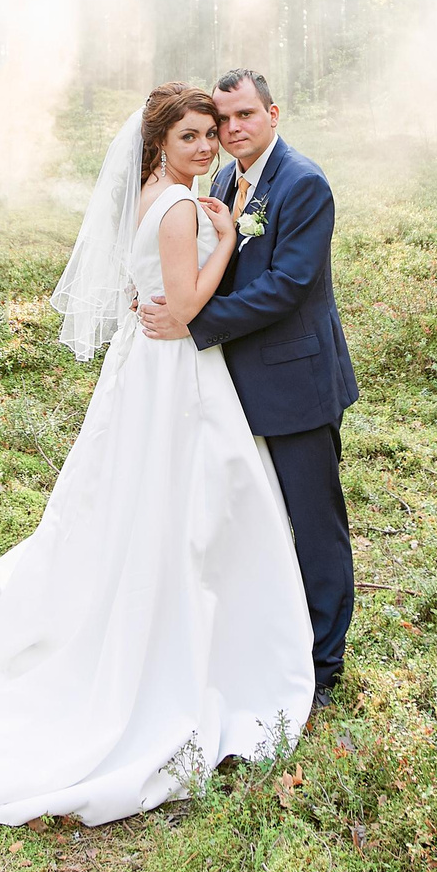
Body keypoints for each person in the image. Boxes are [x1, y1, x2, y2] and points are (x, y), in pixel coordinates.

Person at [0, 86, 314, 827]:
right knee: (190, 502)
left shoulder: (155, 196)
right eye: (191, 137)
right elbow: (182, 309)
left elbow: (148, 287)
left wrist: (210, 224)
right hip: (176, 370)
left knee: (152, 498)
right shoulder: (179, 206)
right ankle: (194, 644)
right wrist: (231, 238)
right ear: (158, 145)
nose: (207, 147)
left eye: (212, 133)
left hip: (143, 368)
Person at [140, 69, 357, 706]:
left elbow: (287, 286)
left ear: (273, 114)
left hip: (296, 383)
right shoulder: (229, 178)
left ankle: (323, 666)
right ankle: (263, 641)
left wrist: (192, 320)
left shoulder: (304, 183)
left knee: (313, 523)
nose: (231, 131)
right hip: (234, 384)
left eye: (243, 117)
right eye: (221, 121)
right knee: (250, 522)